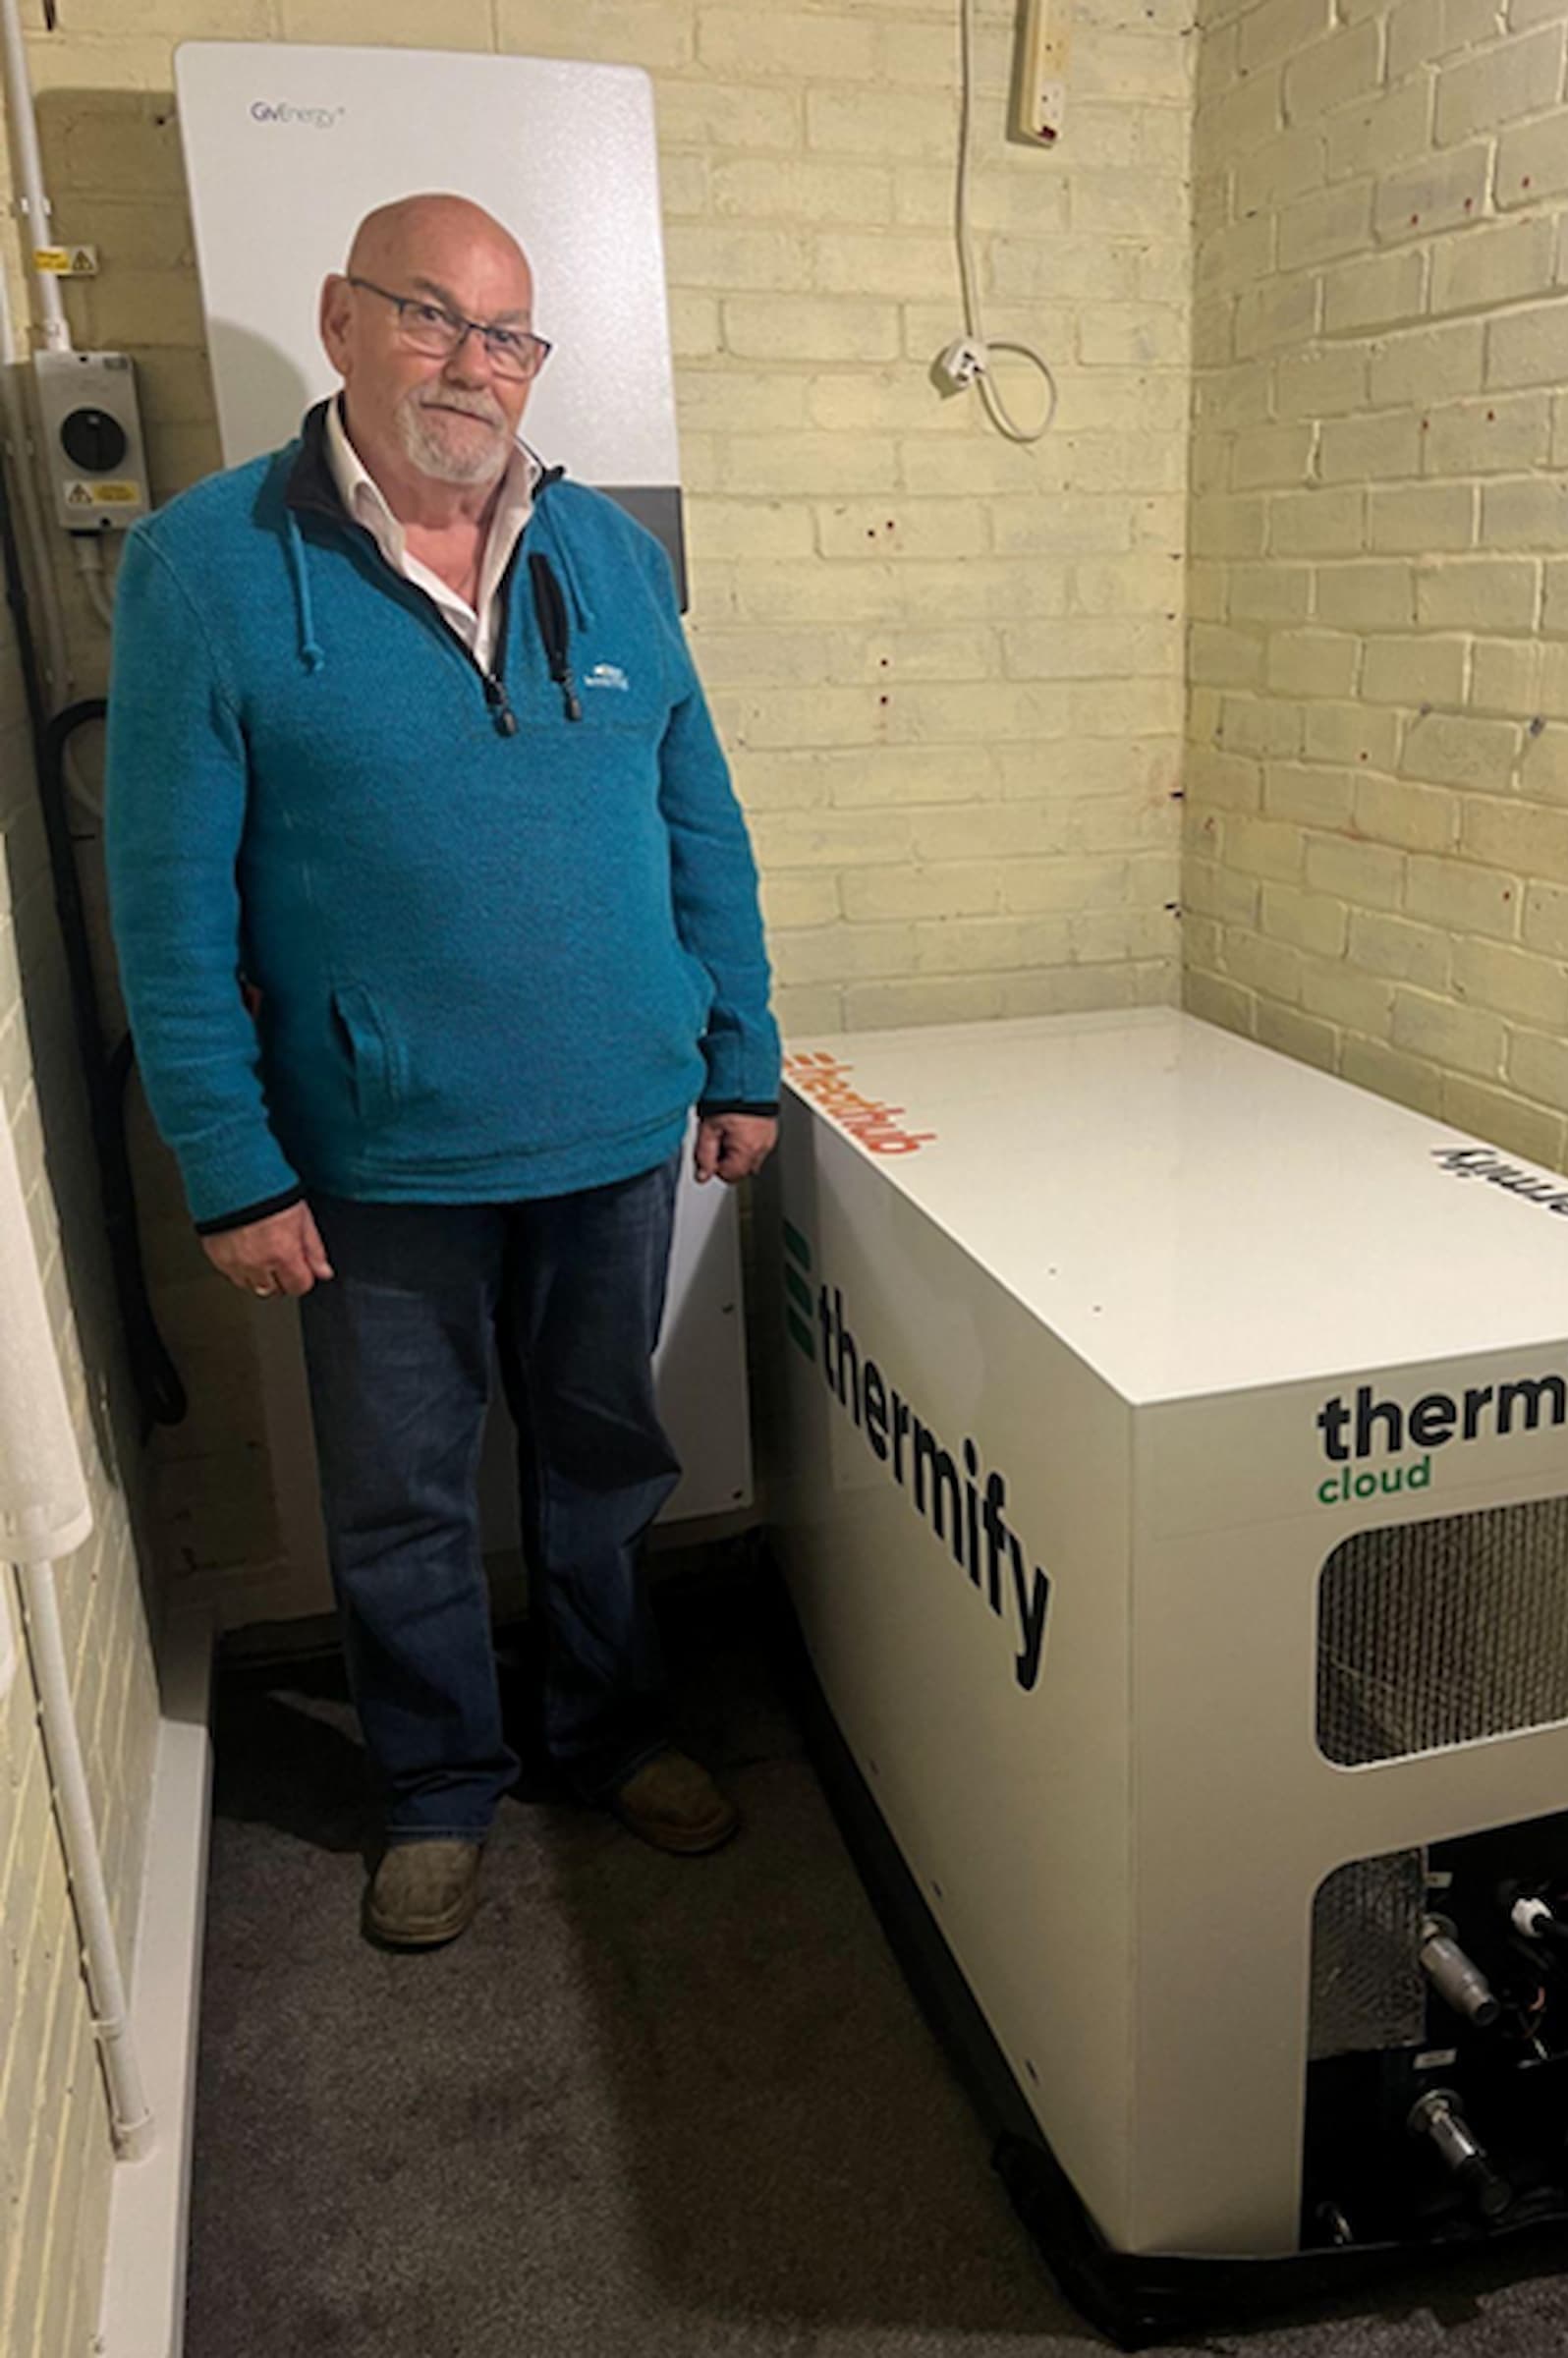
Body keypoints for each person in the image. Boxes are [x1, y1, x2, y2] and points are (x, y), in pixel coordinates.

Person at [105, 194, 780, 1949]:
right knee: (404, 1491)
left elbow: (701, 823)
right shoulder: (205, 565)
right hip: (374, 1154)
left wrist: (741, 1054)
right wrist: (229, 1163)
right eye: (431, 318)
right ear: (340, 321)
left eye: (506, 337)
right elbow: (165, 904)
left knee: (603, 1454)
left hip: (614, 1124)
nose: (472, 369)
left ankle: (610, 1728)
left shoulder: (612, 558)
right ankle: (433, 1785)